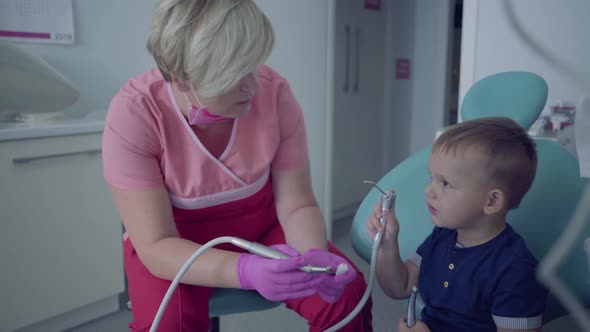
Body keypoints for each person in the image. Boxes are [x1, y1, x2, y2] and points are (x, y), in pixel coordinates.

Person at [102, 0, 372, 331]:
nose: (251, 86)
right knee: (170, 323)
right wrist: (244, 270)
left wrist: (312, 258)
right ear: (181, 77)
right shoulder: (136, 114)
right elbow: (156, 243)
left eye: (252, 65)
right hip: (170, 246)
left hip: (260, 229)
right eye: (232, 75)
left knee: (346, 295)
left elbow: (297, 202)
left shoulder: (275, 95)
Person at [366, 117, 548, 332]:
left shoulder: (515, 270)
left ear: (491, 201)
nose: (429, 191)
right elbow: (401, 286)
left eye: (445, 183)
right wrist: (388, 245)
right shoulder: (441, 237)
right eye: (431, 178)